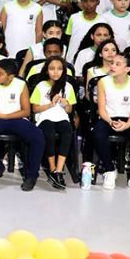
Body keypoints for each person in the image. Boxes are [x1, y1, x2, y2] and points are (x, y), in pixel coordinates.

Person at [0, 59, 45, 190]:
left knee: (38, 137)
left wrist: (4, 116)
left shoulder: (21, 85)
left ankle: (32, 175)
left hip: (16, 118)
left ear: (10, 77)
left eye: (0, 73)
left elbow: (26, 111)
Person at [93, 53, 130, 193]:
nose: (112, 66)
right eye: (112, 63)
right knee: (98, 135)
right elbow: (101, 110)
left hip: (128, 119)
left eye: (118, 64)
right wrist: (111, 122)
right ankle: (109, 170)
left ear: (127, 69)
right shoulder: (103, 82)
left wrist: (127, 124)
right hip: (108, 118)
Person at [31, 56, 76, 190]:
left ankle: (59, 170)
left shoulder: (68, 87)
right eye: (52, 69)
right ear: (46, 71)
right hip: (45, 117)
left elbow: (69, 110)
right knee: (48, 133)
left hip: (62, 117)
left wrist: (66, 104)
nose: (56, 72)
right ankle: (52, 168)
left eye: (59, 69)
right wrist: (51, 104)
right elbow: (35, 108)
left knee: (67, 132)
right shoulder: (41, 86)